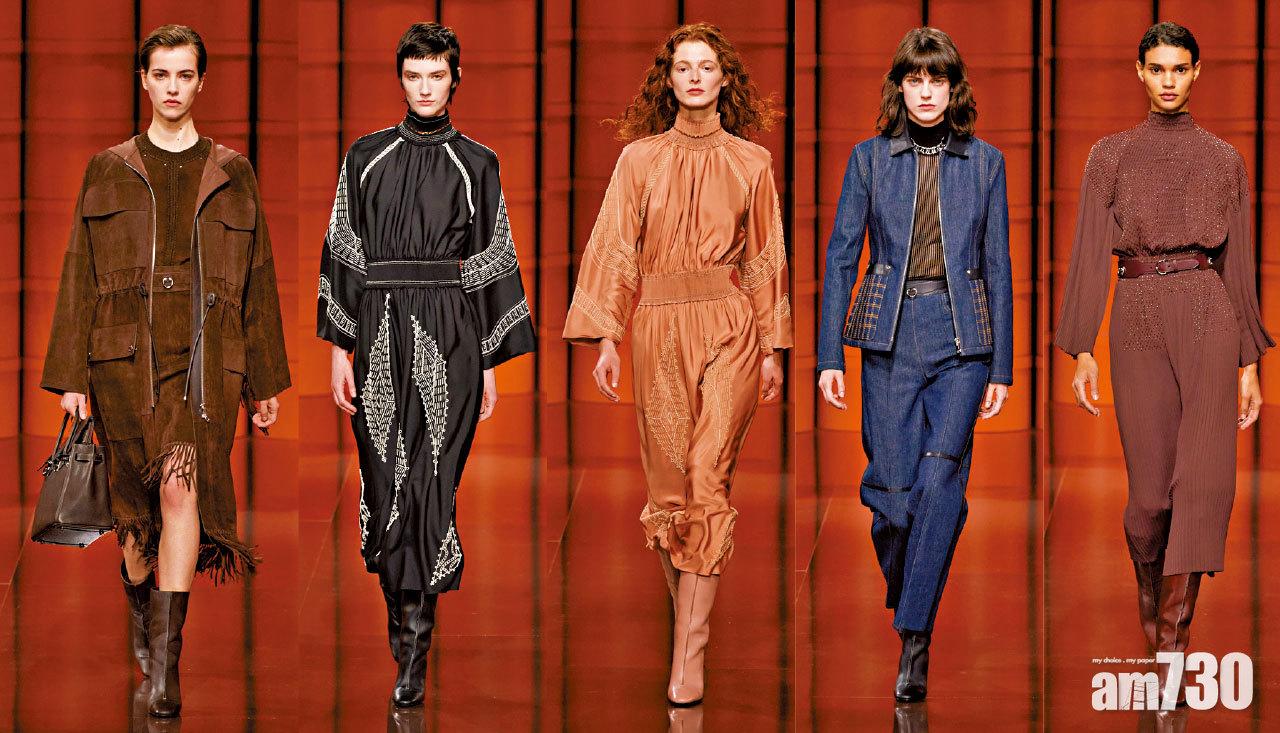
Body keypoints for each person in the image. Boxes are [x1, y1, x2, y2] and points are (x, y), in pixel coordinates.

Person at [41, 25, 290, 717]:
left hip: (205, 360)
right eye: (162, 74)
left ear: (201, 82)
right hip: (123, 358)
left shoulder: (231, 171)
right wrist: (71, 375)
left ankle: (166, 667)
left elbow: (259, 276)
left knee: (181, 490)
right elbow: (78, 272)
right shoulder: (107, 168)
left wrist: (264, 381)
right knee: (136, 518)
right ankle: (141, 608)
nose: (173, 86)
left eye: (185, 74)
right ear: (144, 81)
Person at [562, 22, 790, 706]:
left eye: (706, 66)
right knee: (670, 496)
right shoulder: (639, 160)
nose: (694, 77)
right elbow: (613, 245)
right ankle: (691, 620)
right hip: (657, 325)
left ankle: (688, 655)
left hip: (730, 324)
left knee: (707, 478)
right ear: (668, 80)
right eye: (683, 67)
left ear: (725, 80)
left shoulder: (752, 162)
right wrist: (605, 338)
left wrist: (773, 347)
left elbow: (766, 257)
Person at [316, 21, 535, 707]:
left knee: (432, 485)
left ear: (455, 79)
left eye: (437, 75)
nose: (425, 88)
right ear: (401, 79)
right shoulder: (365, 157)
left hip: (451, 332)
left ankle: (415, 647)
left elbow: (493, 259)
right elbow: (343, 251)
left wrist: (490, 363)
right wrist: (338, 350)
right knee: (387, 485)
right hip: (378, 325)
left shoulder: (478, 164)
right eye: (414, 76)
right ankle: (401, 626)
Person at [1054, 21, 1270, 708]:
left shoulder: (1224, 160)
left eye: (1180, 68)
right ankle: (1155, 617)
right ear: (1140, 72)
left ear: (1197, 72)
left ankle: (1172, 645)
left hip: (1208, 313)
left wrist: (1249, 362)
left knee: (1203, 485)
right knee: (1150, 500)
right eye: (1158, 68)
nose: (1169, 80)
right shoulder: (1110, 155)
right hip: (1138, 314)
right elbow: (1090, 251)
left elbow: (1239, 262)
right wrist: (1082, 348)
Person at [816, 27, 1012, 702]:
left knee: (939, 481)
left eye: (938, 80)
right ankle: (915, 588)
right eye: (915, 80)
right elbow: (842, 256)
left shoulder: (986, 163)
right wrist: (829, 355)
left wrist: (1001, 367)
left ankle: (914, 637)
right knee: (893, 498)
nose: (926, 92)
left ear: (954, 89)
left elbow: (998, 266)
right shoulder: (869, 159)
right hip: (888, 336)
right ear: (899, 87)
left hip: (962, 342)